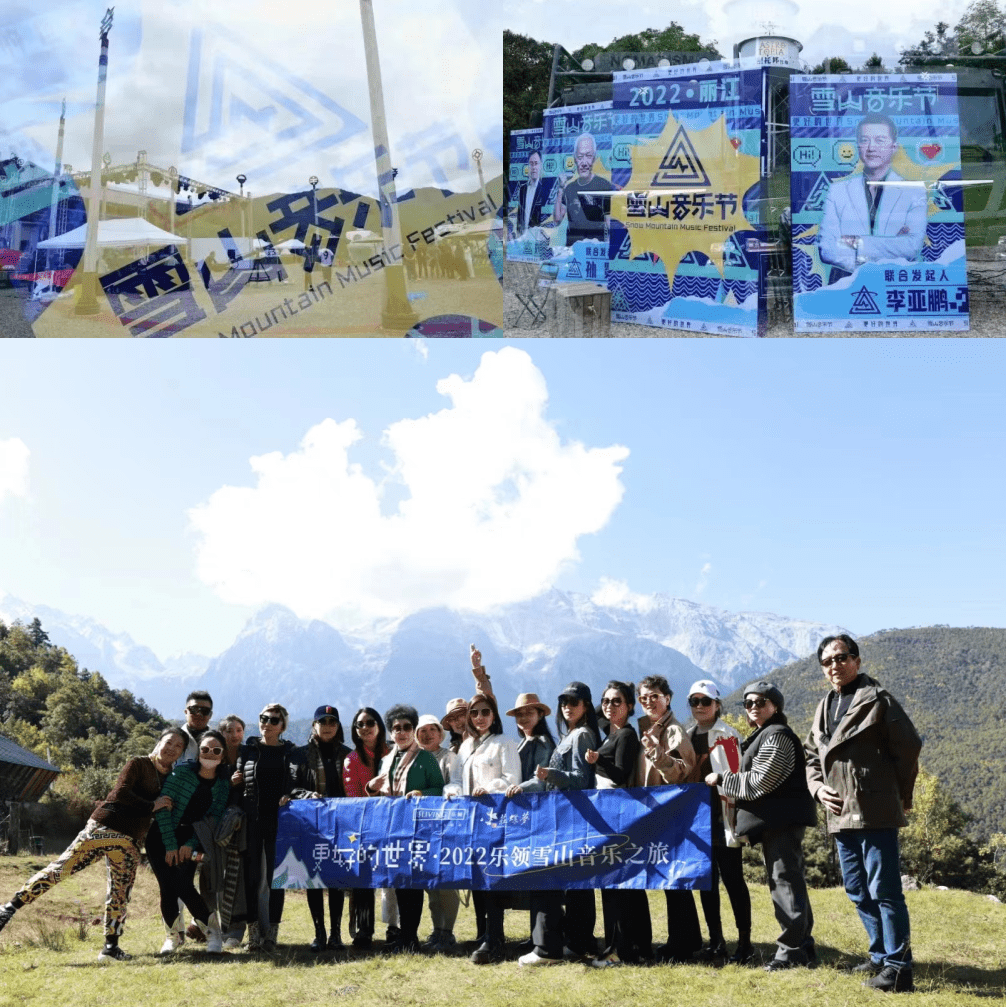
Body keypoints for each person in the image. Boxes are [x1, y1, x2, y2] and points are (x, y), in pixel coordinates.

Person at [0, 727, 186, 961]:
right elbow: (122, 793)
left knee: (120, 893)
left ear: (181, 753)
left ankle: (110, 948)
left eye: (178, 746)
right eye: (169, 742)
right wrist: (152, 806)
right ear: (159, 741)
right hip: (103, 829)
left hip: (130, 841)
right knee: (60, 870)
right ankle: (9, 908)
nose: (172, 748)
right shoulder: (138, 764)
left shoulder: (171, 778)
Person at [805, 634, 922, 994]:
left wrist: (901, 795)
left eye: (841, 658)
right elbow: (812, 755)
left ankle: (899, 968)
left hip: (874, 808)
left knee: (884, 889)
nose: (834, 666)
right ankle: (880, 955)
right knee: (857, 889)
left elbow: (909, 747)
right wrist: (817, 787)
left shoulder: (878, 700)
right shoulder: (825, 706)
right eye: (827, 662)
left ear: (856, 660)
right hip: (839, 811)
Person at [707, 681, 817, 972]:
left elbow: (759, 782)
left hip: (781, 821)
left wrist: (722, 779)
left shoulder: (777, 735)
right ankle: (803, 946)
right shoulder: (765, 734)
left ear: (775, 705)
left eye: (761, 702)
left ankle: (790, 953)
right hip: (778, 821)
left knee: (784, 882)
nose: (754, 707)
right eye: (748, 703)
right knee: (789, 880)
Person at [518, 681, 599, 967]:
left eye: (573, 702)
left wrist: (550, 774)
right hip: (567, 816)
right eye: (563, 701)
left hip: (571, 816)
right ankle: (576, 943)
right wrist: (524, 786)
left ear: (586, 706)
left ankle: (549, 948)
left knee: (553, 879)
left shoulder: (582, 736)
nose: (567, 706)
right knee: (577, 883)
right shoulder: (572, 734)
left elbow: (581, 781)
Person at [444, 693, 520, 964]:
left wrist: (487, 789)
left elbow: (512, 779)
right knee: (476, 877)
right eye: (474, 713)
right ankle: (483, 934)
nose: (479, 717)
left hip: (495, 820)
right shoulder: (464, 747)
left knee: (492, 879)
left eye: (485, 712)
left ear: (494, 716)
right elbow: (453, 780)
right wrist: (452, 791)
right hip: (469, 821)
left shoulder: (504, 743)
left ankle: (495, 938)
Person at [683, 679, 752, 964]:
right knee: (707, 883)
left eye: (705, 701)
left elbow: (737, 777)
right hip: (697, 820)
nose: (700, 707)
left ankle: (744, 942)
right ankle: (716, 940)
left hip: (723, 817)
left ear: (717, 704)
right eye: (694, 701)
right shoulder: (686, 736)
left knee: (734, 880)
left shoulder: (728, 735)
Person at [366, 704, 444, 953]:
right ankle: (401, 933)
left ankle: (411, 936)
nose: (401, 732)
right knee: (398, 882)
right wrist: (371, 788)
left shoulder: (425, 758)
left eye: (406, 727)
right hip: (391, 829)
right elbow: (379, 791)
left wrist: (421, 792)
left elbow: (439, 788)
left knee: (413, 884)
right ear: (390, 732)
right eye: (396, 728)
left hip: (418, 829)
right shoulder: (386, 760)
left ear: (414, 730)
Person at [585, 680, 651, 967]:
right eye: (606, 701)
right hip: (609, 814)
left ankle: (621, 948)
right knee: (618, 884)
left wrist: (597, 759)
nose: (610, 706)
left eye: (617, 701)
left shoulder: (625, 735)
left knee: (618, 885)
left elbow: (622, 773)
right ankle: (631, 946)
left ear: (629, 706)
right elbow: (598, 714)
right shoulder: (610, 732)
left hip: (615, 814)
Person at [636, 673, 702, 962]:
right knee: (669, 879)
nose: (649, 702)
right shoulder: (646, 727)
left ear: (668, 698)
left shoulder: (673, 730)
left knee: (675, 881)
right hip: (652, 813)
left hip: (669, 813)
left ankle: (683, 943)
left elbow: (681, 770)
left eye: (654, 696)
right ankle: (683, 939)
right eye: (644, 698)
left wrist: (658, 755)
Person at [150, 729, 230, 954]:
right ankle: (173, 938)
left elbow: (212, 818)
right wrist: (170, 844)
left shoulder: (222, 784)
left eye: (216, 750)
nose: (210, 754)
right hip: (161, 837)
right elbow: (163, 808)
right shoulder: (182, 774)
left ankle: (213, 933)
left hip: (190, 840)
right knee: (167, 888)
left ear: (223, 755)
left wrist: (190, 844)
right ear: (197, 753)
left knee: (183, 885)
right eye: (205, 749)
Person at [818, 113, 927, 278]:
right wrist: (891, 246)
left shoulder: (913, 191)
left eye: (880, 140)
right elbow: (827, 249)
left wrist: (857, 243)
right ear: (857, 146)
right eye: (864, 140)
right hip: (844, 285)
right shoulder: (837, 191)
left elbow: (912, 247)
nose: (871, 148)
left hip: (895, 281)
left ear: (894, 146)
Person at [232, 702, 303, 951]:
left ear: (282, 726)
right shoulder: (248, 749)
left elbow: (294, 778)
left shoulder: (290, 752)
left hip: (279, 822)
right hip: (252, 821)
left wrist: (288, 794)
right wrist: (235, 780)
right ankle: (253, 934)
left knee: (278, 879)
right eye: (264, 718)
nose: (267, 723)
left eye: (274, 720)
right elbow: (240, 780)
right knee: (251, 878)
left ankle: (271, 934)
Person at [295, 704, 351, 951]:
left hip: (340, 825)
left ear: (338, 726)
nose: (327, 726)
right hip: (311, 824)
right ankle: (319, 933)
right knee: (312, 879)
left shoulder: (349, 755)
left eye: (332, 722)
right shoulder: (300, 755)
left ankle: (336, 934)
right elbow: (291, 787)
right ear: (314, 725)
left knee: (336, 880)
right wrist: (307, 794)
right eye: (322, 722)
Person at [504, 692, 556, 951]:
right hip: (526, 815)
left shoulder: (544, 744)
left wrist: (519, 788)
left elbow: (542, 780)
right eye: (520, 714)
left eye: (529, 712)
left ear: (540, 715)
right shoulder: (521, 743)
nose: (524, 717)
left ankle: (545, 938)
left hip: (539, 815)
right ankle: (537, 934)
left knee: (540, 878)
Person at [416, 713, 463, 950]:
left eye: (432, 730)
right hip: (421, 830)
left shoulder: (449, 757)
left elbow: (454, 783)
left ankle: (448, 931)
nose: (427, 735)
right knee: (430, 885)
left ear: (440, 733)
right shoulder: (412, 759)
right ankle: (436, 929)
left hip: (445, 828)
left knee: (446, 882)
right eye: (422, 731)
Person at [342, 707, 387, 949]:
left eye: (370, 722)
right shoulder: (351, 760)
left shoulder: (393, 752)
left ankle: (396, 928)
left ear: (379, 725)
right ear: (355, 731)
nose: (365, 727)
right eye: (360, 724)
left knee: (396, 878)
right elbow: (352, 797)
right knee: (363, 881)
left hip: (393, 824)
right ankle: (364, 930)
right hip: (363, 826)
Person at [553, 132, 622, 246]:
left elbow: (609, 223)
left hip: (594, 253)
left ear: (594, 158)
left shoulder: (604, 185)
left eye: (588, 156)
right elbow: (557, 219)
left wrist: (609, 248)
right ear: (575, 159)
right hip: (572, 252)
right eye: (580, 157)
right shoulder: (569, 188)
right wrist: (560, 188)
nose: (584, 162)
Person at [516, 150, 549, 236]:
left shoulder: (545, 190)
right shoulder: (522, 189)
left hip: (536, 237)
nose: (534, 167)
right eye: (531, 163)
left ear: (540, 165)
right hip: (522, 237)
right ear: (528, 166)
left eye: (536, 163)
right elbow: (520, 215)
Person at [179, 690, 214, 761]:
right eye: (194, 709)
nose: (199, 714)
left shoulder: (217, 742)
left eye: (204, 711)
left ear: (210, 715)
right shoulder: (173, 739)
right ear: (186, 712)